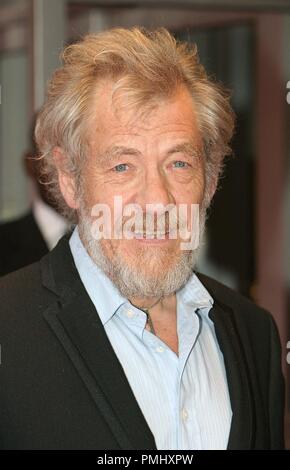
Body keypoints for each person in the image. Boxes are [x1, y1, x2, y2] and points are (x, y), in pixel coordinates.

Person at [0, 27, 284, 450]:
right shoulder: (8, 329)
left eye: (179, 163)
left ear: (209, 182)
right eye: (122, 167)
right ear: (70, 180)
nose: (156, 201)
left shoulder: (253, 333)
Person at [0, 142, 68, 276]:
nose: (69, 169)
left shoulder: (106, 238)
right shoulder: (4, 245)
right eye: (56, 158)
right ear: (31, 164)